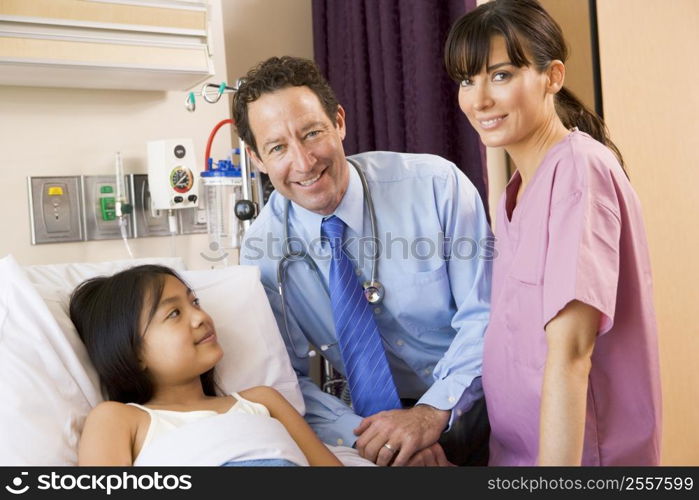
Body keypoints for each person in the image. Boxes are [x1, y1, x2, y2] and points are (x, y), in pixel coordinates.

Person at [236, 56, 492, 466]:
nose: (303, 162)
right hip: (367, 431)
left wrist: (431, 414)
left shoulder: (436, 187)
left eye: (312, 133)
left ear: (339, 122)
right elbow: (287, 381)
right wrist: (372, 440)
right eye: (278, 147)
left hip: (480, 399)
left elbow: (486, 316)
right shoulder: (262, 252)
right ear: (257, 159)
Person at [444, 0, 662, 465]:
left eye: (500, 75)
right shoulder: (515, 192)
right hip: (515, 453)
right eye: (467, 80)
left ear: (553, 77)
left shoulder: (579, 171)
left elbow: (572, 353)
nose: (479, 99)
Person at [69, 264, 342, 466]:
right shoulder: (120, 420)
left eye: (195, 302)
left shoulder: (263, 401)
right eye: (174, 313)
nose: (200, 317)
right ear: (134, 353)